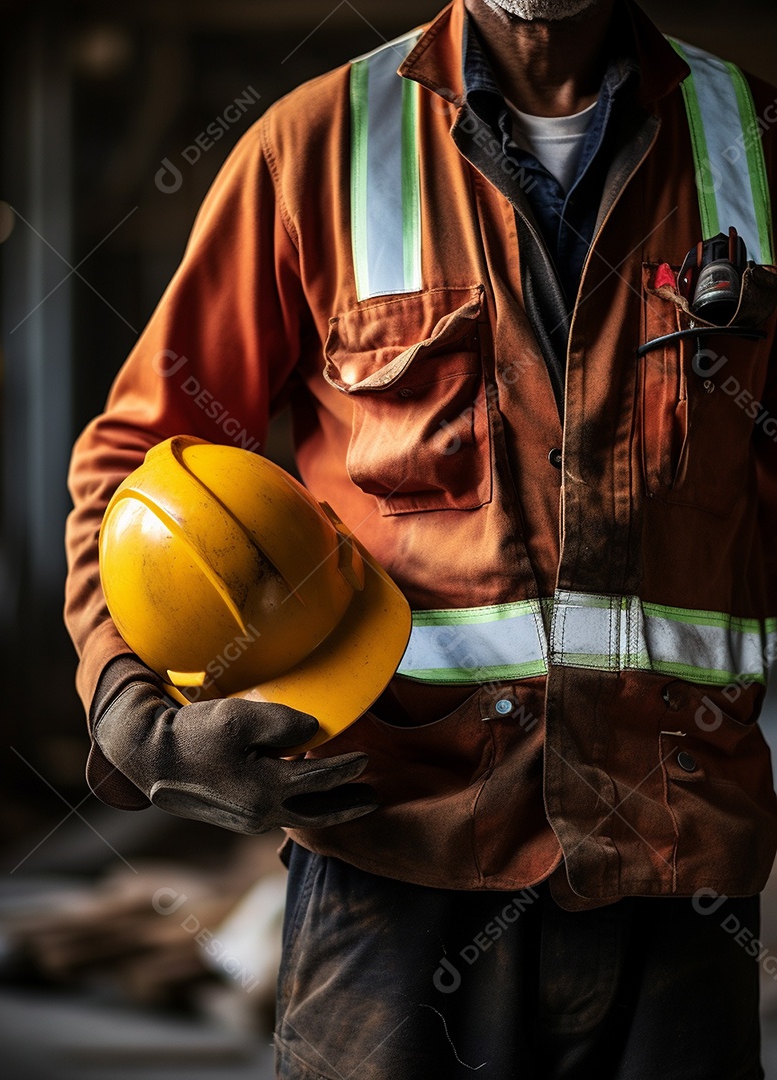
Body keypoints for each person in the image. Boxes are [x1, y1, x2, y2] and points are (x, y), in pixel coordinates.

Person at [65, 0, 777, 1075]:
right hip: (393, 852)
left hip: (678, 867)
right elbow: (140, 456)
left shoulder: (755, 142)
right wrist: (131, 704)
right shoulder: (317, 145)